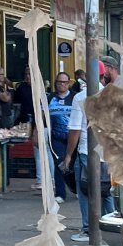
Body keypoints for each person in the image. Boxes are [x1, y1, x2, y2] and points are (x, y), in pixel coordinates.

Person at [61, 58, 118, 243]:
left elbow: (75, 129)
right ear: (103, 75)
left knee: (85, 191)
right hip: (108, 152)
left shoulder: (80, 97)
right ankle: (113, 227)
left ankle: (88, 229)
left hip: (87, 151)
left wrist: (69, 155)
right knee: (106, 191)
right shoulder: (112, 96)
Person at [46, 72, 74, 203]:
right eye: (59, 82)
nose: (62, 85)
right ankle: (60, 193)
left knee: (74, 165)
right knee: (60, 164)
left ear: (68, 83)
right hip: (56, 137)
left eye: (64, 82)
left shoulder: (75, 98)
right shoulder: (50, 98)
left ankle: (76, 188)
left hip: (73, 137)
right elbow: (41, 116)